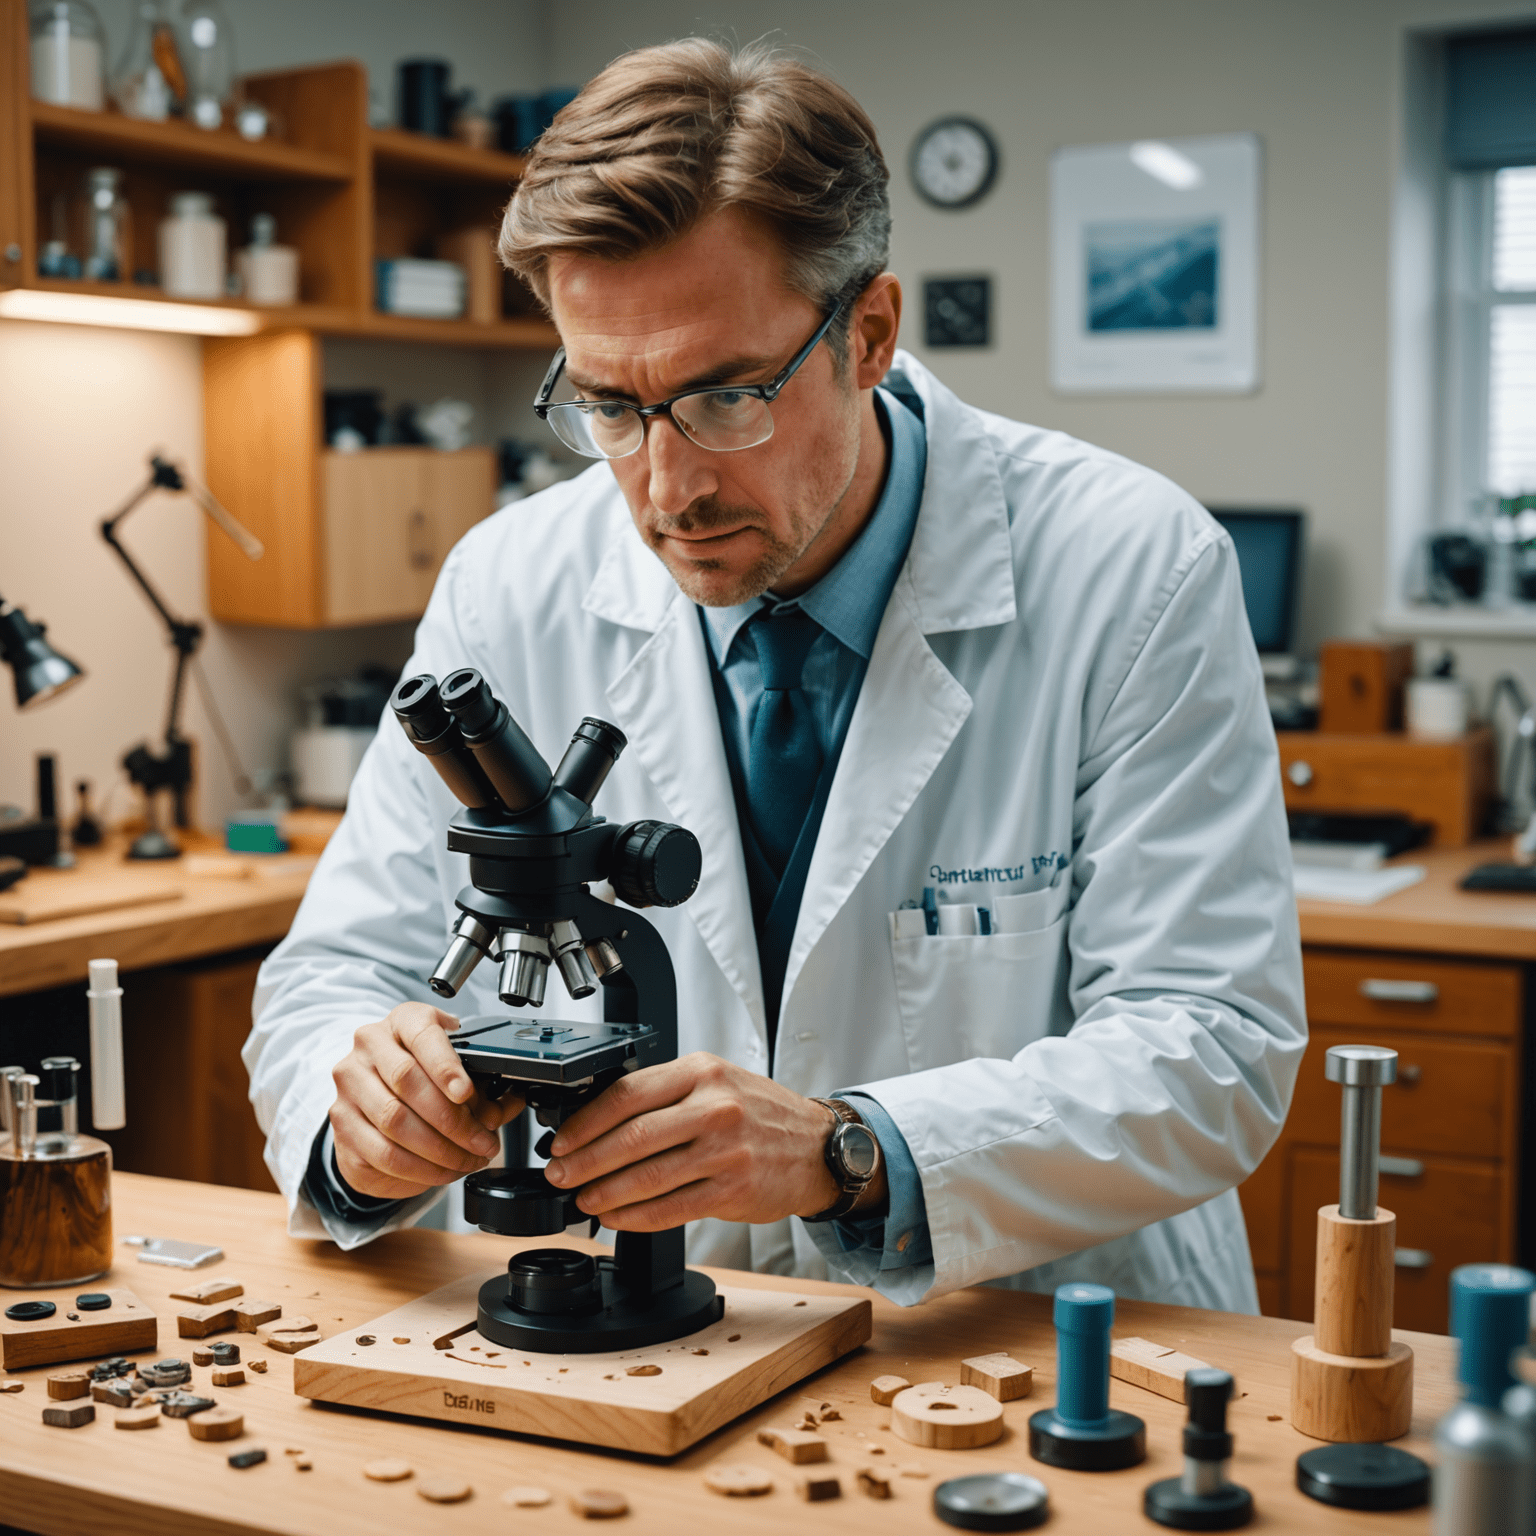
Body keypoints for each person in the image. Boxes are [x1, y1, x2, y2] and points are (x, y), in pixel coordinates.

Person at [246, 38, 1305, 1312]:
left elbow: (1210, 1048)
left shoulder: (1131, 568)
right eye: (610, 405)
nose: (666, 487)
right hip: (664, 1349)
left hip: (1034, 1346)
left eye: (726, 396)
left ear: (869, 333)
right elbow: (336, 978)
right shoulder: (509, 580)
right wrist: (364, 1115)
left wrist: (847, 1150)